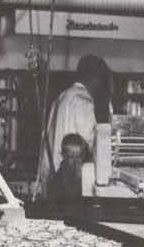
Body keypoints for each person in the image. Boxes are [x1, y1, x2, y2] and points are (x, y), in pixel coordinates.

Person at [39, 54, 111, 197]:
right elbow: (93, 146)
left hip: (51, 180)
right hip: (70, 184)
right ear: (95, 79)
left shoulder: (60, 98)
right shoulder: (83, 102)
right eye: (101, 80)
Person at [48, 133, 89, 203]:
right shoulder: (60, 177)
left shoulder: (85, 171)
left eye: (79, 156)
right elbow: (72, 196)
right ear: (64, 156)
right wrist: (79, 178)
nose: (76, 161)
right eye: (71, 157)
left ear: (83, 156)